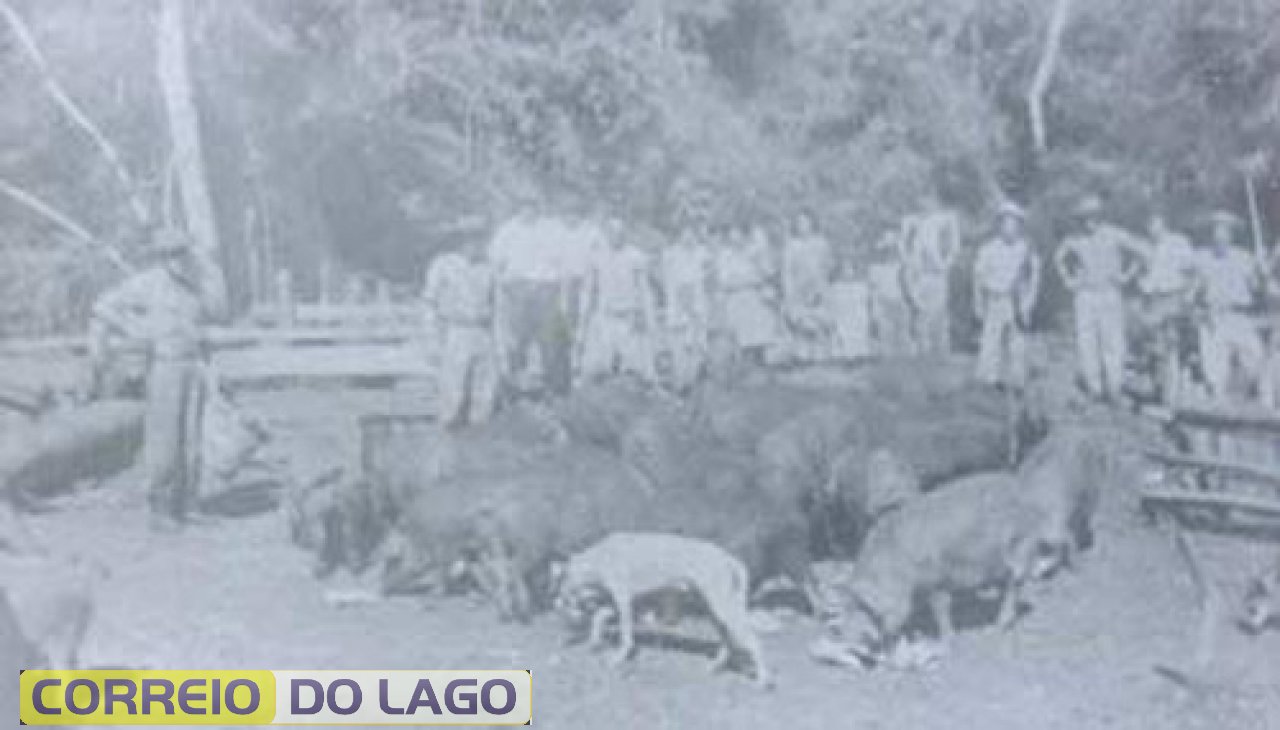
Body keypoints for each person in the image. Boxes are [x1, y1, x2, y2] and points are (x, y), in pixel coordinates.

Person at [90, 229, 227, 530]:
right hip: (165, 367)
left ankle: (189, 504)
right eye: (171, 253)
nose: (178, 259)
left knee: (193, 438)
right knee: (165, 440)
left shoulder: (196, 282)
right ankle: (161, 510)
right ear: (161, 256)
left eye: (182, 252)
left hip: (194, 365)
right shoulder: (146, 283)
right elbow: (103, 307)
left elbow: (217, 313)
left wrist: (208, 274)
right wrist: (133, 329)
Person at [1054, 195, 1148, 403]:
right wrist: (1068, 280)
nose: (1089, 222)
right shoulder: (1075, 239)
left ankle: (1115, 388)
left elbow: (1142, 252)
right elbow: (1059, 257)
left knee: (1113, 342)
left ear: (1101, 216)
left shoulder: (1115, 234)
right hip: (1085, 295)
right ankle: (1094, 388)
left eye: (1093, 216)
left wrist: (1126, 276)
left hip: (1109, 293)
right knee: (1086, 341)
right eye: (1084, 218)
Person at [423, 239, 499, 429]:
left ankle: (480, 425)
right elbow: (429, 301)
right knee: (452, 384)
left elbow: (497, 303)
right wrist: (432, 337)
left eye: (479, 239)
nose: (475, 246)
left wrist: (499, 335)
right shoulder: (443, 265)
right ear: (461, 242)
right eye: (470, 240)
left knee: (485, 383)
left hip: (483, 330)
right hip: (457, 329)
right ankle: (448, 424)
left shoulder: (488, 267)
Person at [1193, 210, 1264, 401]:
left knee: (1255, 357)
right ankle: (1218, 409)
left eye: (1224, 233)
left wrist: (1262, 270)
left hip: (1238, 316)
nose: (1220, 238)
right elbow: (1195, 288)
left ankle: (1240, 395)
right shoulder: (1202, 257)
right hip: (1213, 317)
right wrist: (1197, 309)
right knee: (1215, 369)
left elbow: (1257, 288)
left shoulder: (1245, 257)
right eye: (1216, 233)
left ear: (1231, 236)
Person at [576, 219, 657, 384]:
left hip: (629, 314)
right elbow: (589, 289)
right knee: (599, 363)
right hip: (606, 314)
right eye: (611, 233)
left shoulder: (635, 256)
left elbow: (644, 289)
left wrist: (646, 315)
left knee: (636, 364)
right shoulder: (597, 256)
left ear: (624, 235)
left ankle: (641, 388)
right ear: (606, 235)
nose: (615, 237)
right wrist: (584, 314)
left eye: (619, 233)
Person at [973, 202, 1041, 390]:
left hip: (1017, 302)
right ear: (999, 225)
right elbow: (978, 280)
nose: (1009, 228)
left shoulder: (1027, 250)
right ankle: (988, 381)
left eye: (1014, 223)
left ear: (1020, 226)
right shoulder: (987, 249)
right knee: (990, 341)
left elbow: (1034, 279)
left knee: (1017, 343)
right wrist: (979, 304)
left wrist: (1028, 303)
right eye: (1005, 223)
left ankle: (1017, 382)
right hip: (995, 299)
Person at [1139, 212, 1199, 405]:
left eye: (1155, 224)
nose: (1151, 229)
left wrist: (1189, 295)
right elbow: (1143, 273)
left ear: (1164, 224)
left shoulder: (1178, 243)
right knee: (1156, 349)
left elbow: (1193, 271)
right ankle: (1162, 393)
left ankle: (1178, 396)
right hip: (1154, 300)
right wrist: (1143, 286)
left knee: (1174, 347)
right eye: (1148, 225)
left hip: (1174, 298)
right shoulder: (1147, 247)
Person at [715, 222, 783, 368]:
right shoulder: (725, 255)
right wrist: (748, 280)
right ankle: (744, 360)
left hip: (754, 296)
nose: (735, 238)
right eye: (732, 234)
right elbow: (724, 280)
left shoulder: (754, 252)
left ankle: (759, 358)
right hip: (736, 296)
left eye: (738, 234)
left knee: (759, 322)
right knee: (741, 327)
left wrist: (757, 272)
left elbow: (766, 273)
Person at [900, 198, 961, 355]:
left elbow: (954, 246)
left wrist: (944, 264)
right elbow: (903, 246)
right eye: (922, 201)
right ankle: (922, 351)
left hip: (937, 273)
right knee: (920, 315)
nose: (926, 205)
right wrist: (910, 263)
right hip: (919, 274)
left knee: (940, 315)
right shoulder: (912, 221)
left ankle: (940, 351)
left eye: (930, 201)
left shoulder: (944, 219)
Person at [660, 226, 713, 393]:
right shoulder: (671, 255)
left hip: (697, 306)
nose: (688, 237)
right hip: (679, 308)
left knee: (697, 345)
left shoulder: (702, 253)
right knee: (681, 347)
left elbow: (708, 275)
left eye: (691, 234)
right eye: (685, 234)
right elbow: (675, 283)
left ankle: (696, 382)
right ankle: (681, 386)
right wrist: (687, 308)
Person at [782, 210, 835, 364]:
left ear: (812, 223)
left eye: (806, 222)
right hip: (798, 292)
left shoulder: (821, 243)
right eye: (799, 223)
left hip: (819, 291)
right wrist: (790, 294)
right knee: (802, 327)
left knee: (820, 326)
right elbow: (787, 272)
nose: (803, 226)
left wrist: (819, 288)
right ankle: (803, 363)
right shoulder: (791, 246)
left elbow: (828, 267)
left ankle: (822, 362)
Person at [867, 228, 910, 356]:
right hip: (883, 305)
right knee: (886, 340)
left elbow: (909, 286)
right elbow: (873, 292)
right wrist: (874, 311)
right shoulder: (875, 268)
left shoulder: (903, 266)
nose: (890, 252)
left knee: (903, 339)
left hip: (900, 304)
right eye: (887, 249)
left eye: (893, 248)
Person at [828, 256, 871, 362]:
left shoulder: (861, 286)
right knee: (842, 334)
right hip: (843, 317)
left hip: (857, 317)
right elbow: (833, 305)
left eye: (850, 269)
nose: (848, 272)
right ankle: (843, 356)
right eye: (845, 269)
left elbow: (865, 303)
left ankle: (858, 355)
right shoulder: (836, 287)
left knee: (857, 334)